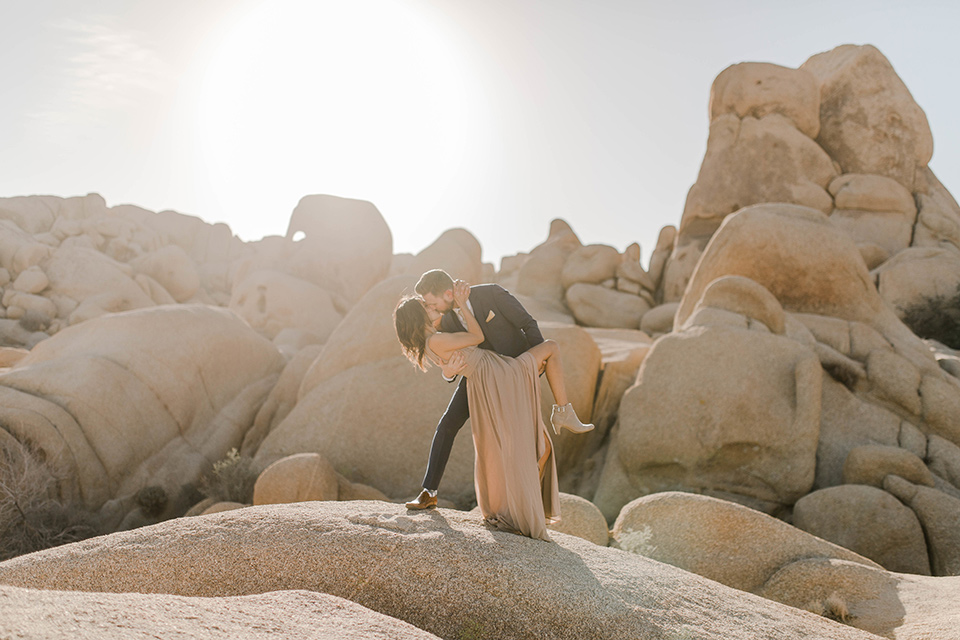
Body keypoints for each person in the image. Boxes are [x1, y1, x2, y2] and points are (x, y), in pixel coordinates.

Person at [394, 281, 593, 541]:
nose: (432, 308)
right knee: (452, 426)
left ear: (447, 293)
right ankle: (430, 490)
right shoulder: (443, 326)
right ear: (420, 316)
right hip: (493, 376)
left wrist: (537, 364)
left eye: (431, 303)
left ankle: (523, 503)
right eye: (426, 306)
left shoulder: (488, 294)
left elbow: (527, 323)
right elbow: (467, 343)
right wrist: (448, 370)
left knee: (533, 444)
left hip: (496, 370)